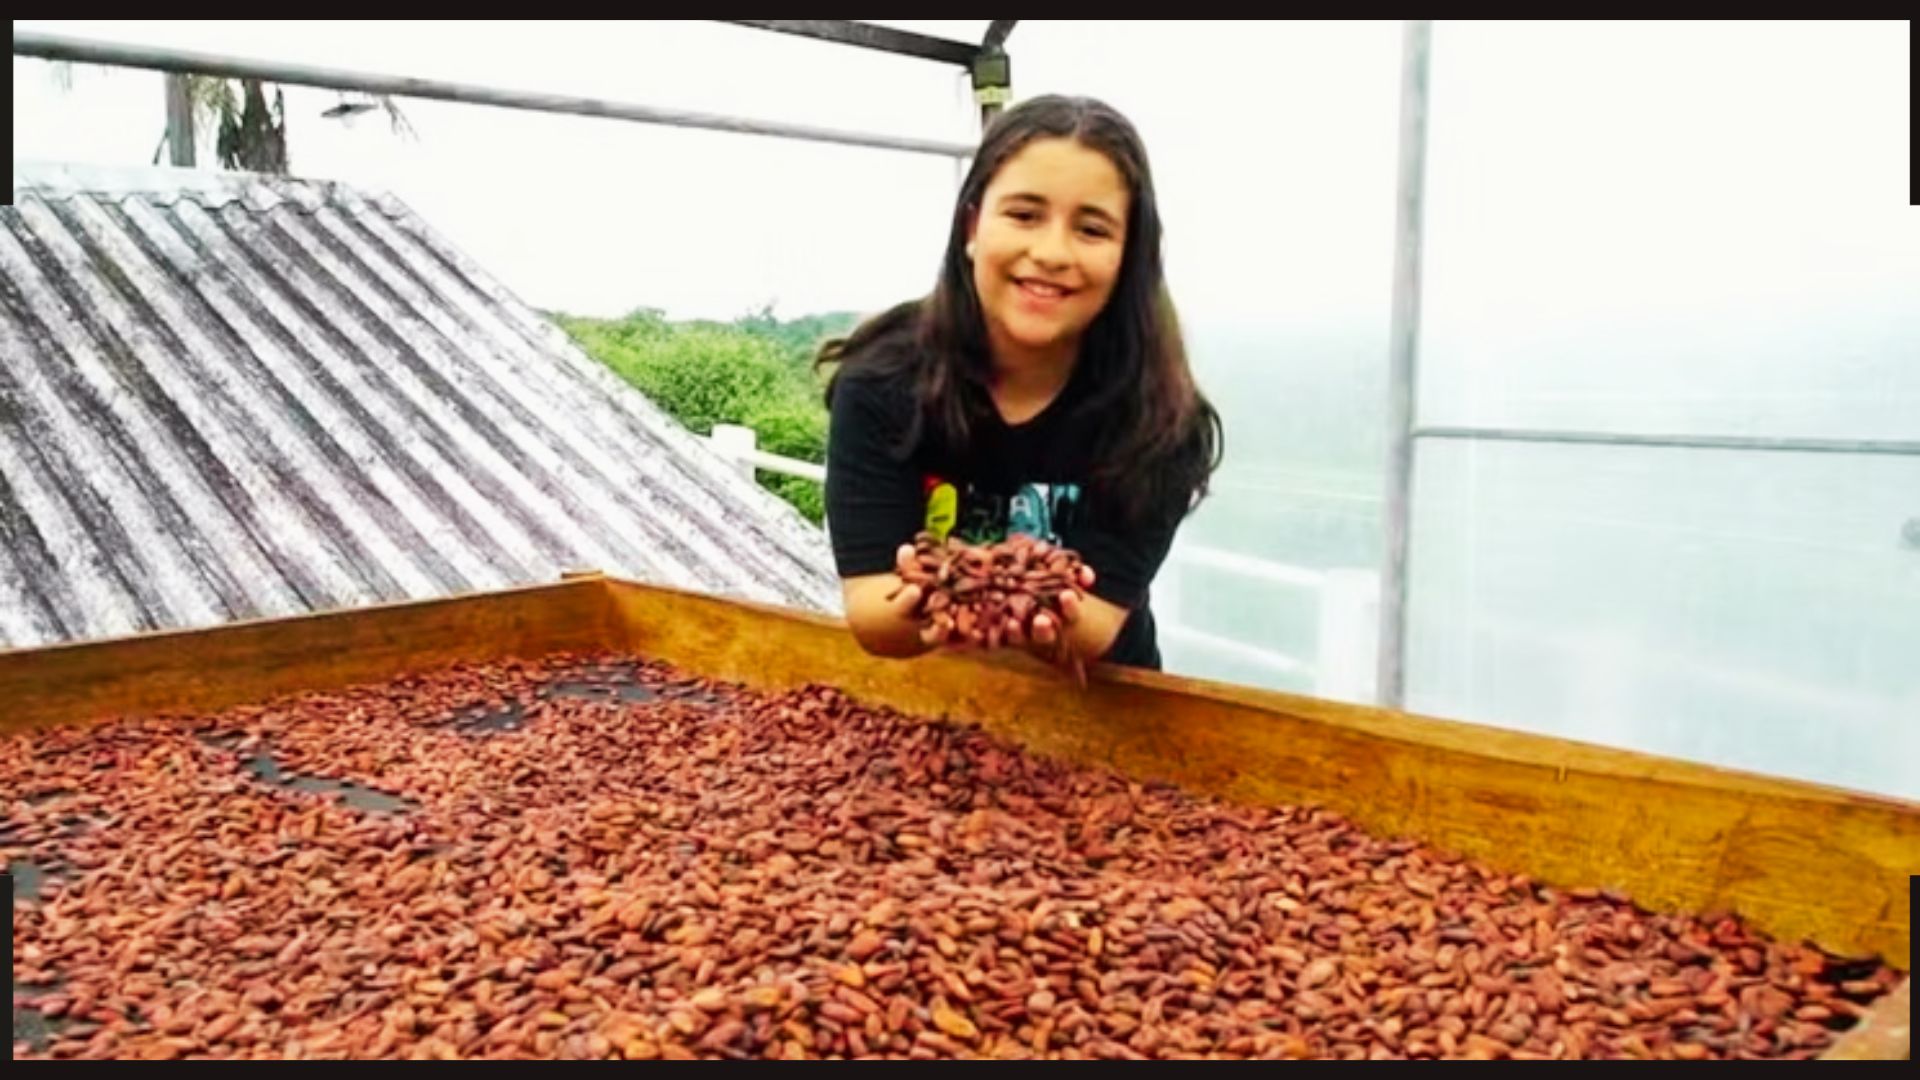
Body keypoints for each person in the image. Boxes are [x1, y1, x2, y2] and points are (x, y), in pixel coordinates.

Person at [817, 94, 1222, 675]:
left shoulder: (1160, 420)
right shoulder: (882, 380)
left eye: (1091, 229)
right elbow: (871, 609)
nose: (1051, 253)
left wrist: (988, 595)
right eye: (1024, 215)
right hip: (935, 693)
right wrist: (960, 595)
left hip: (1103, 702)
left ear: (1129, 256)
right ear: (972, 227)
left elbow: (1095, 624)